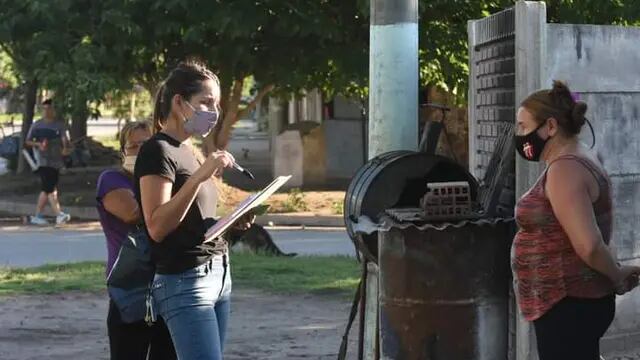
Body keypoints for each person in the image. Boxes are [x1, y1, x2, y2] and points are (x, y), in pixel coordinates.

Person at [512, 80, 640, 360]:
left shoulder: (565, 169)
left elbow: (589, 245)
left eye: (523, 126)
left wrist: (617, 275)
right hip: (569, 303)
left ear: (551, 127)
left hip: (568, 304)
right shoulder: (574, 160)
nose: (519, 135)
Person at [135, 61, 252, 359]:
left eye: (216, 104)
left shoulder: (190, 151)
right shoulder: (157, 151)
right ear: (179, 103)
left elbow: (192, 220)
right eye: (206, 102)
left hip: (218, 274)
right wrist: (202, 176)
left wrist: (231, 221)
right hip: (186, 280)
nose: (213, 112)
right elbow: (157, 226)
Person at [96, 121, 176, 360]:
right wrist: (160, 188)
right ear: (123, 151)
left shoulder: (169, 180)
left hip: (167, 284)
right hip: (130, 289)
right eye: (134, 146)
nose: (140, 151)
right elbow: (133, 214)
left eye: (147, 145)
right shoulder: (111, 180)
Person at [24, 99, 71, 225]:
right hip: (42, 160)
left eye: (49, 109)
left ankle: (37, 216)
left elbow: (65, 140)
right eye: (44, 109)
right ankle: (58, 214)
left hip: (56, 161)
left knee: (49, 188)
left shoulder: (59, 125)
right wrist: (39, 144)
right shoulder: (37, 125)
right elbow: (28, 141)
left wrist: (65, 149)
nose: (46, 111)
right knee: (49, 187)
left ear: (53, 110)